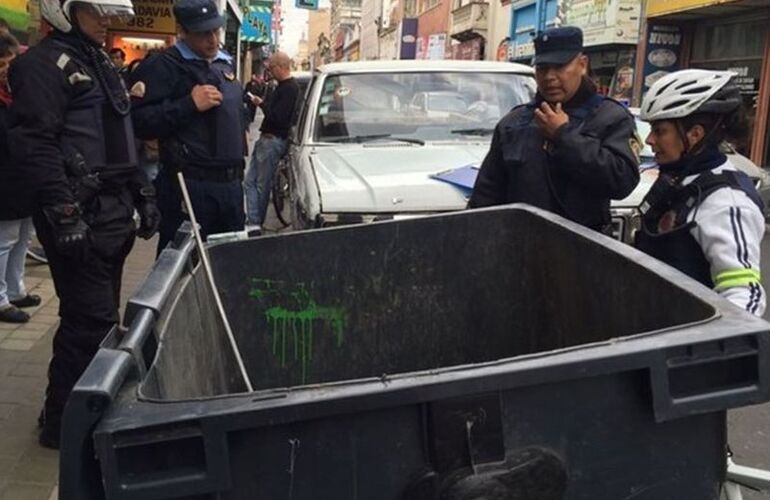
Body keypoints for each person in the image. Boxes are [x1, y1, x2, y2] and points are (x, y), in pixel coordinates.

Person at [7, 0, 160, 448]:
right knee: (89, 323)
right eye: (96, 12)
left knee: (98, 320)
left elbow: (119, 135)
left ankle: (67, 417)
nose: (106, 21)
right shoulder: (41, 66)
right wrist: (63, 210)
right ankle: (67, 429)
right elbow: (33, 142)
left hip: (110, 211)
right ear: (64, 10)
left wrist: (142, 191)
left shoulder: (96, 62)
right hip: (78, 214)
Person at [468, 26, 640, 234]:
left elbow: (622, 182)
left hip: (583, 251)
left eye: (559, 67)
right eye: (542, 68)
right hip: (521, 249)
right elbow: (485, 197)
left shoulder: (610, 118)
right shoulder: (514, 123)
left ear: (582, 65)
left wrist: (564, 136)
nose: (550, 77)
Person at [635, 69, 765, 316]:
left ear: (695, 134)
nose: (649, 140)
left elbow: (745, 294)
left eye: (660, 130)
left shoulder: (727, 202)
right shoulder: (680, 178)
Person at [128, 0, 246, 252]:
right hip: (189, 187)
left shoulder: (224, 63)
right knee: (180, 266)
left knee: (228, 264)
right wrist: (187, 105)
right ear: (182, 31)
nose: (212, 39)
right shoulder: (163, 66)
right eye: (203, 33)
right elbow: (138, 122)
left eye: (216, 30)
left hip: (231, 187)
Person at [0, 29, 40, 324]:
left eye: (8, 64)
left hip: (24, 177)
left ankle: (16, 289)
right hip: (6, 178)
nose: (5, 70)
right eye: (1, 64)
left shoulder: (16, 94)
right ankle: (0, 298)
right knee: (4, 240)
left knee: (22, 238)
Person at [243, 52, 299, 233]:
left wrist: (261, 104)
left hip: (271, 140)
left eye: (271, 67)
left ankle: (255, 222)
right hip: (269, 139)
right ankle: (253, 219)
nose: (269, 71)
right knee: (251, 182)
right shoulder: (284, 87)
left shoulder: (288, 88)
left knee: (259, 183)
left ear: (280, 67)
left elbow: (278, 117)